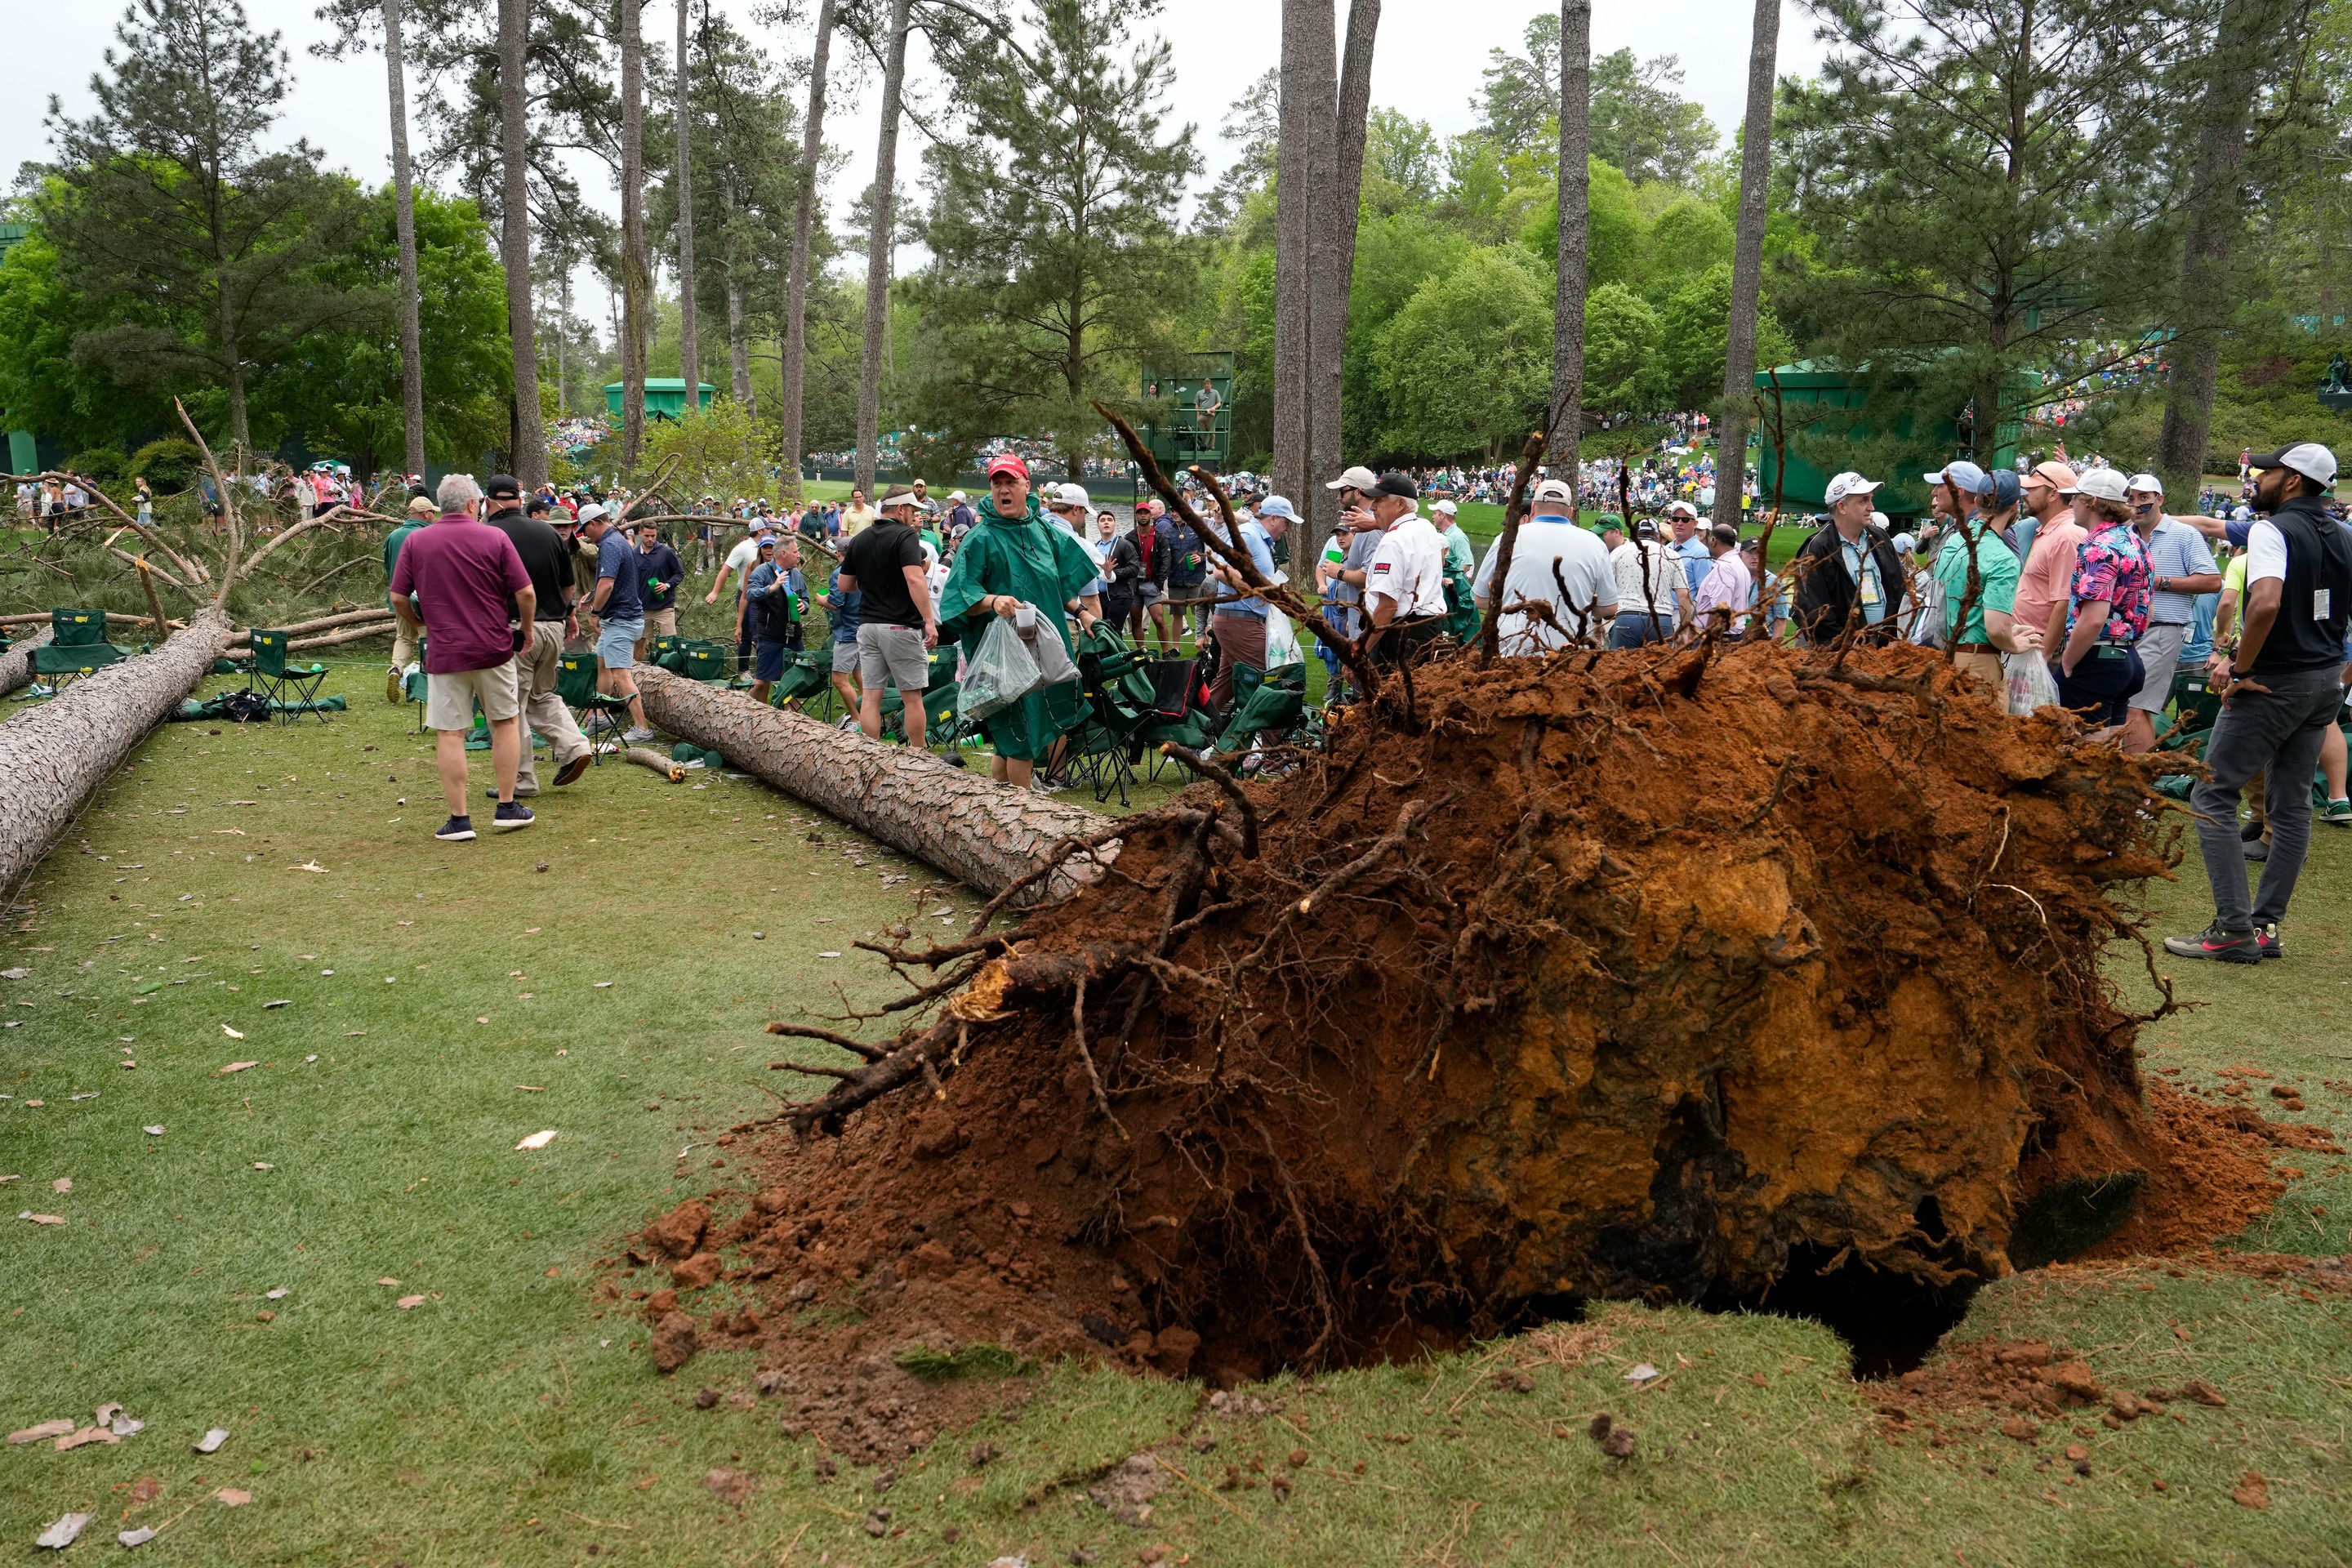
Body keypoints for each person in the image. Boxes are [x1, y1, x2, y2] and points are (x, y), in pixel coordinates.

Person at [2167, 443, 2352, 963]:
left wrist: (2240, 669)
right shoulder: (2345, 534)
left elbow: (2265, 602)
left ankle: (2233, 929)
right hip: (2322, 682)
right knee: (2292, 807)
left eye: (2267, 472)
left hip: (2274, 683)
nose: (2257, 479)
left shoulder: (2273, 531)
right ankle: (2263, 927)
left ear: (2291, 480)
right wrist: (2340, 678)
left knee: (2212, 795)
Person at [937, 453, 1102, 788]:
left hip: (1046, 649)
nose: (1003, 490)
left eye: (1010, 482)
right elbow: (957, 598)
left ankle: (996, 803)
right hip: (1004, 656)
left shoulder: (1044, 531)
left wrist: (1081, 612)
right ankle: (1022, 810)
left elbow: (1056, 583)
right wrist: (992, 601)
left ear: (1026, 485)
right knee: (1021, 734)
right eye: (997, 483)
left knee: (1012, 738)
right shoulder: (980, 538)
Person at [388, 474, 536, 840]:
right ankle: (507, 807)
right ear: (473, 504)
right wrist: (528, 630)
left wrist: (419, 623)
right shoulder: (494, 537)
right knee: (505, 723)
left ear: (441, 506)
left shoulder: (417, 541)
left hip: (446, 650)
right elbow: (526, 593)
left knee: (450, 733)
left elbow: (398, 597)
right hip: (493, 647)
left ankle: (459, 819)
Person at [483, 476, 593, 797]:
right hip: (553, 628)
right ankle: (575, 747)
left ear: (488, 502)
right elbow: (568, 585)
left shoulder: (489, 534)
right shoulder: (548, 532)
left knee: (512, 707)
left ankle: (522, 781)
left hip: (515, 631)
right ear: (520, 500)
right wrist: (568, 616)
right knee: (542, 696)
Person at [2119, 473, 2222, 755]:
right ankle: (2135, 773)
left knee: (2135, 707)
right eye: (2130, 498)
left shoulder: (2184, 534)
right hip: (2124, 631)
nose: (2136, 504)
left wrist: (2160, 582)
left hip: (2162, 628)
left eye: (2144, 497)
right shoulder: (2124, 534)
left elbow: (2213, 581)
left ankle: (2138, 778)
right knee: (2130, 706)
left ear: (2159, 499)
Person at [2049, 467, 2150, 739]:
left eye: (2076, 497)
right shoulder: (2137, 542)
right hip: (2127, 659)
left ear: (2092, 501)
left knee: (2081, 754)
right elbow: (2147, 607)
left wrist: (2068, 662)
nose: (2071, 503)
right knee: (2109, 755)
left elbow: (2094, 618)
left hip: (2096, 662)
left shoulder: (2099, 547)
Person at [838, 488, 939, 749]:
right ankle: (917, 756)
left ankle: (870, 754)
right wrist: (929, 621)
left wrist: (872, 579)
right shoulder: (906, 536)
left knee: (871, 697)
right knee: (912, 698)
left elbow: (845, 585)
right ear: (901, 509)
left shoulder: (860, 538)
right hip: (900, 626)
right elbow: (915, 579)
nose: (915, 515)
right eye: (913, 510)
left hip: (868, 627)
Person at [1471, 479, 1616, 652]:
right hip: (1571, 647)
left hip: (1513, 646)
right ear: (1570, 513)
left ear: (1533, 508)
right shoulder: (1594, 543)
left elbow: (1480, 598)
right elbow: (1608, 607)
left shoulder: (1508, 537)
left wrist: (1513, 603)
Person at [1931, 495, 2031, 701]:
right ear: (2015, 506)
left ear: (1977, 502)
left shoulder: (1953, 542)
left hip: (1940, 655)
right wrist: (2013, 644)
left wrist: (2008, 629)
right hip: (1977, 664)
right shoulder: (2004, 558)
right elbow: (1996, 629)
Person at [1789, 472, 1908, 644]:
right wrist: (1849, 646)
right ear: (1842, 507)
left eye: (1870, 499)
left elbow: (1898, 587)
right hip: (1841, 650)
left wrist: (1893, 636)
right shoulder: (1817, 548)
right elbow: (1812, 610)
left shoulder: (1880, 538)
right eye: (1863, 500)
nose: (1871, 507)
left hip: (1885, 645)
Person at [579, 506, 656, 743]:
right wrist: (592, 596)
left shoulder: (611, 545)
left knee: (621, 675)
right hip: (620, 618)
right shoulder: (617, 540)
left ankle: (642, 729)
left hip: (621, 619)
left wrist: (595, 612)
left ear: (593, 523)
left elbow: (608, 585)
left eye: (585, 529)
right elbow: (610, 582)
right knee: (602, 664)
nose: (585, 534)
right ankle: (601, 716)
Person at [1203, 491, 1286, 706]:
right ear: (1273, 518)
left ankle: (1198, 724)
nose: (1287, 528)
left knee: (1226, 683)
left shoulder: (1260, 538)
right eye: (1286, 522)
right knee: (1267, 678)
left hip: (1241, 620)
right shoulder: (1248, 535)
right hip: (1240, 622)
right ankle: (1268, 731)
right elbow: (1220, 570)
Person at [1361, 473, 1446, 666]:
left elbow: (1388, 606)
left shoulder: (1393, 540)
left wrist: (1360, 650)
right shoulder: (1426, 527)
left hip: (1400, 637)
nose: (1372, 507)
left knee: (1394, 686)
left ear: (1400, 504)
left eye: (1379, 501)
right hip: (1430, 629)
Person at [2011, 460, 2083, 653]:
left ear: (2053, 494)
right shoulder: (2051, 530)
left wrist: (2045, 654)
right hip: (2028, 641)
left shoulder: (2066, 536)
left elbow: (2065, 601)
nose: (2024, 494)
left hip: (2039, 646)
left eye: (2032, 489)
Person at [1607, 516, 1690, 647]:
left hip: (1627, 618)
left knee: (1621, 660)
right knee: (1660, 661)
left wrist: (1597, 621)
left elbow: (1607, 588)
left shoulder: (1618, 552)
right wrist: (1684, 630)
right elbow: (1684, 595)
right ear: (1658, 535)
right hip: (1660, 620)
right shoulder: (1672, 555)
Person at [383, 493, 434, 702]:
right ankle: (425, 685)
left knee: (404, 637)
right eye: (432, 513)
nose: (434, 516)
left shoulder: (393, 535)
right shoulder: (429, 535)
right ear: (425, 514)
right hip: (425, 598)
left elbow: (387, 565)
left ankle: (396, 669)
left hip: (400, 596)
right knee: (428, 639)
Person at [1691, 523, 1753, 636]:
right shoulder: (1738, 563)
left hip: (1721, 637)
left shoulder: (1724, 568)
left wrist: (1707, 639)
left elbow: (1720, 610)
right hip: (1731, 634)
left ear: (1713, 541)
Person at [635, 520, 685, 650]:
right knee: (638, 642)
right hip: (642, 607)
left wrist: (667, 585)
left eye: (653, 535)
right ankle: (637, 664)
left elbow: (679, 573)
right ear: (640, 534)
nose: (650, 539)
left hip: (664, 606)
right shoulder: (633, 555)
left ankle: (667, 664)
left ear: (657, 533)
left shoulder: (667, 552)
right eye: (647, 536)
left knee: (669, 643)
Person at [1096, 508, 1142, 634]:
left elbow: (1134, 568)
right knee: (1100, 632)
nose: (1106, 522)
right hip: (1098, 597)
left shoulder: (1124, 545)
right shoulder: (1095, 546)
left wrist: (1112, 573)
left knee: (1113, 632)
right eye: (1102, 520)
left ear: (1114, 524)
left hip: (1119, 596)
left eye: (1109, 520)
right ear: (1098, 525)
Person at [1664, 501, 1712, 598]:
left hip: (1684, 606)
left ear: (1695, 524)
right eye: (1675, 519)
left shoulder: (1701, 553)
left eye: (1685, 520)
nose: (1679, 523)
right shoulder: (1667, 548)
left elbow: (1704, 593)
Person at [1432, 498, 1475, 574]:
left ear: (1443, 515)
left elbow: (1466, 565)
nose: (1432, 517)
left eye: (1435, 513)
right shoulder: (1441, 534)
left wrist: (1448, 578)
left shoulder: (1458, 537)